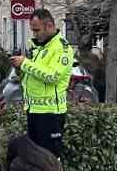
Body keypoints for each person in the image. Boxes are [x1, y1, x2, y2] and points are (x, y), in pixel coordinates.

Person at [11, 8, 73, 157]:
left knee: (49, 160)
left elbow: (52, 76)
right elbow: (34, 76)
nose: (34, 34)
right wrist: (20, 70)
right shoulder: (39, 47)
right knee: (36, 160)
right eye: (33, 30)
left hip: (51, 114)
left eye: (37, 30)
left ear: (50, 26)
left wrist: (25, 63)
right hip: (34, 111)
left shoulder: (62, 48)